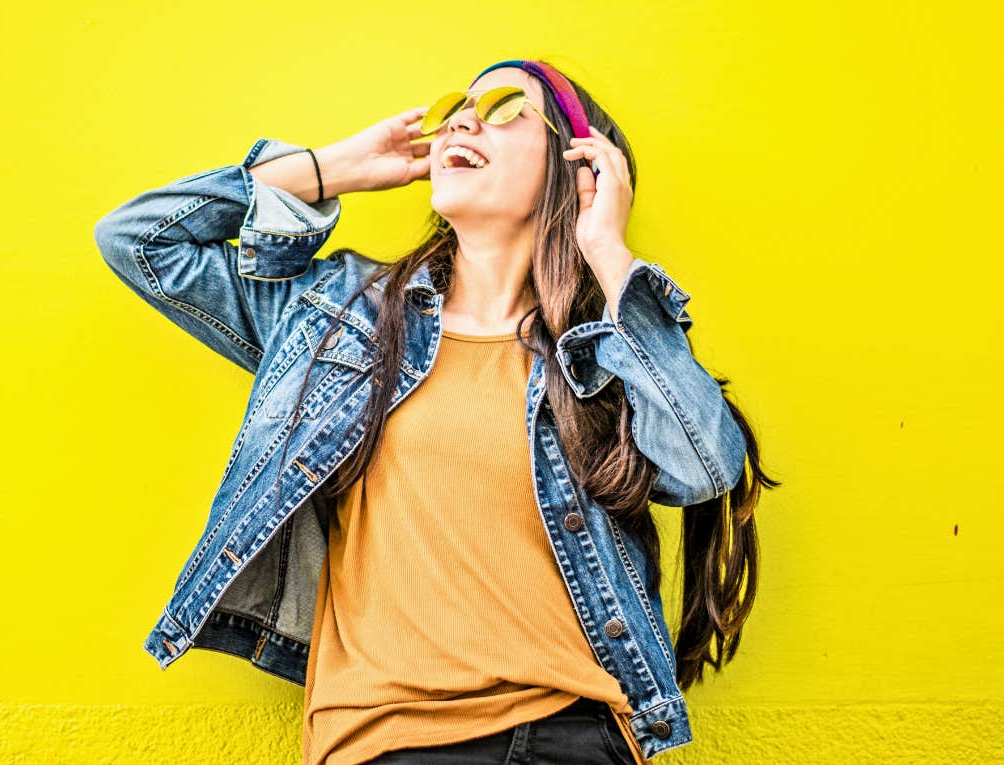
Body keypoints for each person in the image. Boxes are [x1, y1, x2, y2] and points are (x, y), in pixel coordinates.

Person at [93, 57, 777, 765]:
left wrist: (607, 251)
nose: (462, 118)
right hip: (387, 739)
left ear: (580, 169)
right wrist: (333, 168)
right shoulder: (337, 316)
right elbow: (138, 239)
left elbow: (705, 466)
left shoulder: (603, 352)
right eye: (457, 106)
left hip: (581, 732)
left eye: (507, 106)